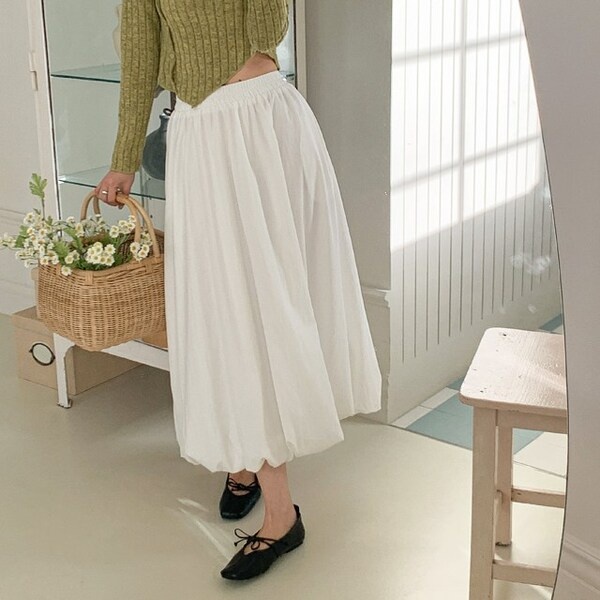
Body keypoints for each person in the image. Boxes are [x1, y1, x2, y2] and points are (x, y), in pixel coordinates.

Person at [94, 0, 382, 581]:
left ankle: (280, 514)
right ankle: (250, 459)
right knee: (227, 307)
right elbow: (140, 59)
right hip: (203, 135)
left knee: (264, 301)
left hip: (267, 122)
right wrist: (124, 158)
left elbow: (266, 28)